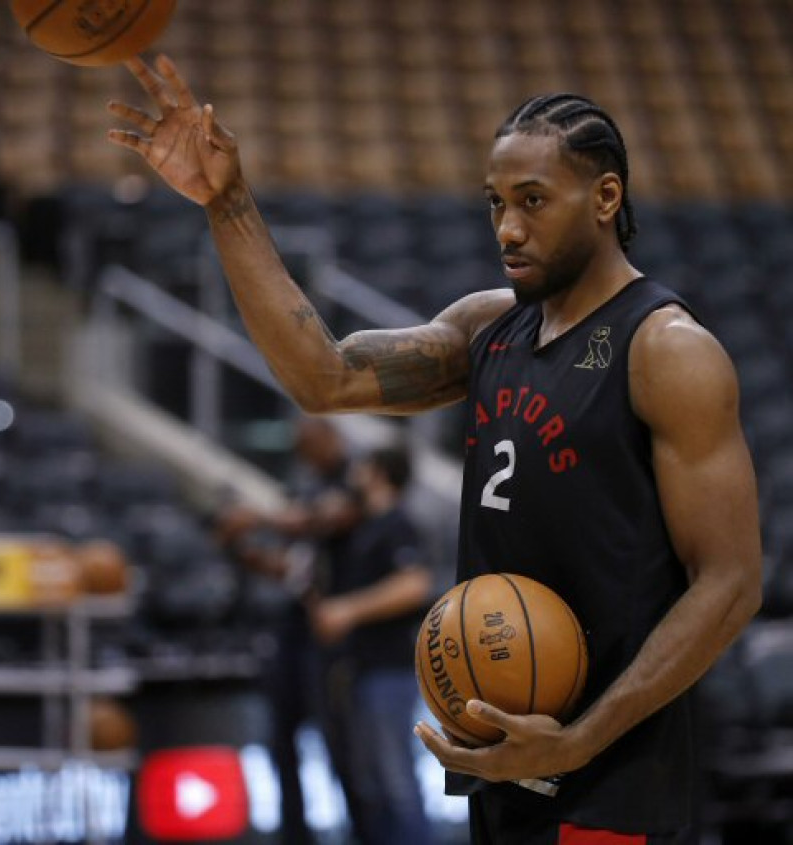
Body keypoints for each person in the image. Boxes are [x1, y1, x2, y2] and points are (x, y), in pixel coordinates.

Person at [107, 61, 763, 845]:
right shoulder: (491, 328)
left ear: (606, 198)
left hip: (613, 776)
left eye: (532, 202)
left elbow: (730, 582)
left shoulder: (668, 350)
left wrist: (580, 738)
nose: (508, 230)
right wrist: (228, 203)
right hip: (495, 757)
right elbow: (326, 376)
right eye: (495, 204)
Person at [217, 415, 362, 845]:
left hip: (340, 633)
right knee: (281, 739)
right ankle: (295, 835)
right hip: (297, 625)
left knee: (342, 747)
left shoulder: (355, 477)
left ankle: (362, 831)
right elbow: (294, 565)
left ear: (331, 438)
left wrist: (256, 518)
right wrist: (247, 554)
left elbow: (326, 518)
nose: (303, 452)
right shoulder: (306, 484)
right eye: (299, 445)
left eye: (309, 442)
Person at [309, 445, 435, 845]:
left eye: (363, 464)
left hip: (390, 669)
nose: (355, 470)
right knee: (372, 783)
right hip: (361, 668)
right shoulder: (365, 525)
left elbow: (414, 585)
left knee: (395, 778)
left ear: (379, 472)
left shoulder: (397, 523)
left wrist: (347, 610)